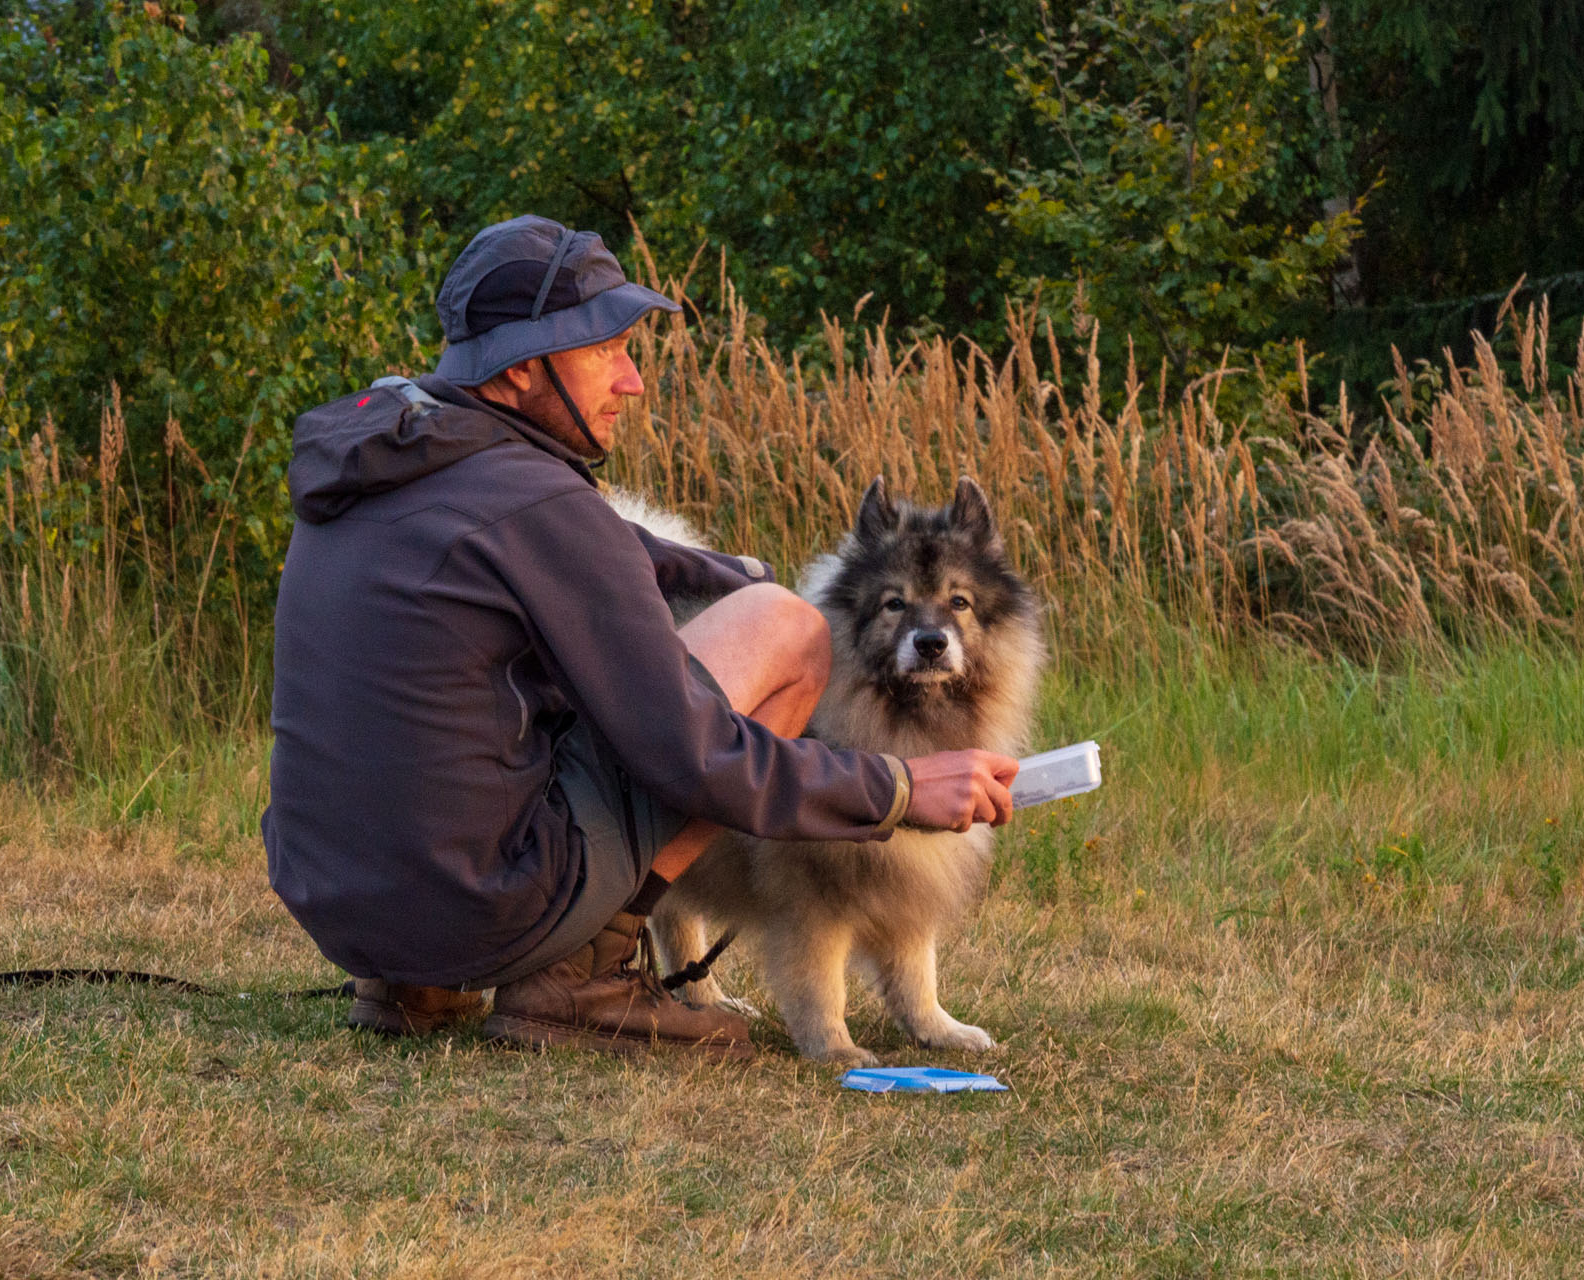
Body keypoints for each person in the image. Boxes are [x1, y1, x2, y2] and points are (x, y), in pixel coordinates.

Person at [262, 214, 1019, 1058]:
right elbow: (692, 752)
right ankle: (582, 974)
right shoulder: (537, 501)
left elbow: (601, 552)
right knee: (787, 631)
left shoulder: (388, 460)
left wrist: (730, 570)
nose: (632, 381)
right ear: (521, 369)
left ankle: (415, 986)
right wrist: (902, 790)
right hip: (482, 905)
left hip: (339, 902)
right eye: (605, 351)